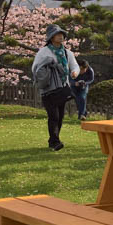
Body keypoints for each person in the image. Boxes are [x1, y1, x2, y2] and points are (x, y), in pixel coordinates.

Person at [31, 23, 79, 151]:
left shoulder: (67, 53)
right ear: (51, 38)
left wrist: (74, 72)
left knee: (60, 115)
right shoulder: (44, 52)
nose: (60, 37)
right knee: (54, 115)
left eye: (62, 34)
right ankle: (55, 141)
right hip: (48, 89)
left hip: (62, 88)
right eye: (57, 35)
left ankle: (54, 140)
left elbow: (74, 66)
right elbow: (35, 68)